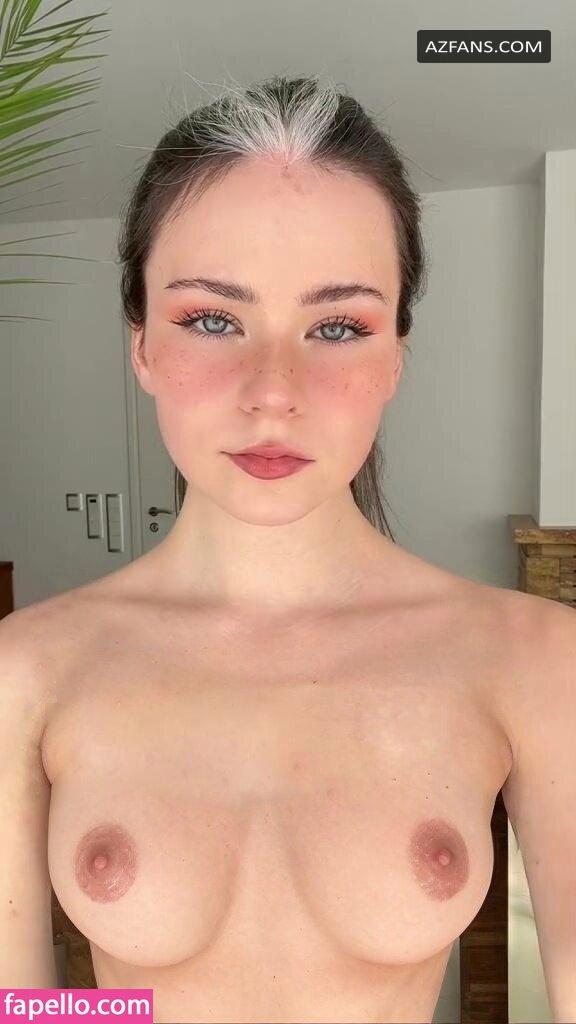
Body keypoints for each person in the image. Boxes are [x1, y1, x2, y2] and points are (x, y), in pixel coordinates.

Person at [2, 74, 575, 1024]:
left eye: (338, 326)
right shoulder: (27, 669)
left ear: (395, 356)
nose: (274, 390)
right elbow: (23, 1007)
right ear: (141, 345)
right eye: (212, 319)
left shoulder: (538, 659)